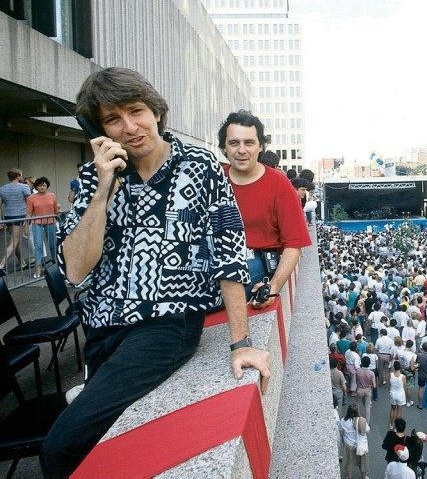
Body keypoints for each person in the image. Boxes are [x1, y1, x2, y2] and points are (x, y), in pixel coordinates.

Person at [40, 67, 271, 476]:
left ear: (156, 111)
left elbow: (229, 252)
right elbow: (75, 269)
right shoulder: (97, 174)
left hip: (165, 325)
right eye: (113, 119)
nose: (129, 127)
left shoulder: (199, 166)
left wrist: (241, 343)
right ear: (99, 128)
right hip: (101, 328)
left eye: (136, 111)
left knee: (60, 448)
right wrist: (102, 191)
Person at [218, 109, 311, 304]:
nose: (241, 150)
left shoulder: (279, 183)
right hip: (217, 258)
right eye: (234, 143)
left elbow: (294, 244)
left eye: (249, 143)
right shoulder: (214, 179)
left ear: (260, 146)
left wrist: (273, 287)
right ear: (224, 147)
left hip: (257, 261)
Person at [26, 177, 60, 278]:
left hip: (50, 222)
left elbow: (56, 210)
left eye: (44, 185)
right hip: (37, 223)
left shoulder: (52, 195)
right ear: (36, 186)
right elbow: (28, 212)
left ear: (47, 186)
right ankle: (38, 268)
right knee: (38, 245)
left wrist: (58, 217)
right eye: (40, 185)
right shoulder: (31, 198)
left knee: (53, 245)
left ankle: (56, 266)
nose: (42, 187)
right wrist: (26, 225)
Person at [0, 168, 31, 273]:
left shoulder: (2, 188)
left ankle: (22, 263)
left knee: (15, 241)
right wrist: (28, 218)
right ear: (18, 176)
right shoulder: (24, 187)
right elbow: (29, 203)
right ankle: (1, 264)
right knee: (15, 241)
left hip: (8, 217)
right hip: (19, 216)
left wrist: (1, 219)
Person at [340, 404, 369, 479]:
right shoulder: (361, 420)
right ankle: (363, 477)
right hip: (360, 445)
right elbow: (367, 431)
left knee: (349, 463)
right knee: (363, 463)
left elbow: (341, 433)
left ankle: (349, 477)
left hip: (348, 445)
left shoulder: (343, 420)